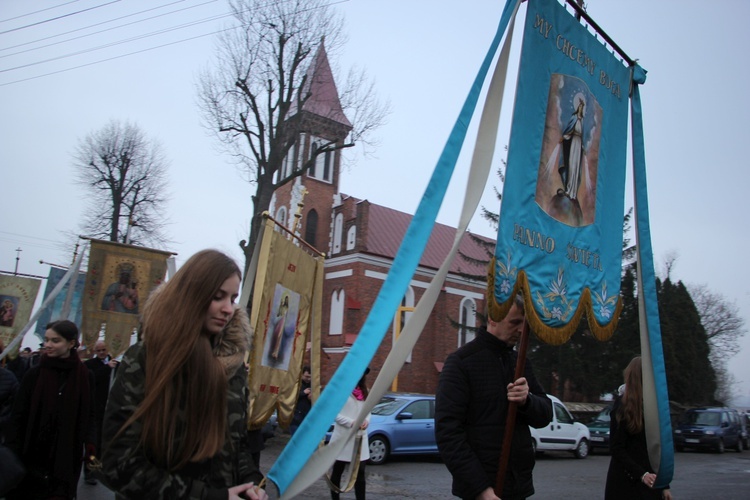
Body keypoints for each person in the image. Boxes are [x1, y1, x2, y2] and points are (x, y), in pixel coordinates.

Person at [101, 249, 267, 500]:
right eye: (217, 297)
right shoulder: (147, 358)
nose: (227, 309)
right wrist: (209, 497)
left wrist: (250, 481)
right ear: (192, 294)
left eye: (232, 299)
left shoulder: (231, 365)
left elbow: (237, 446)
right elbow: (119, 464)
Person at [435, 294, 553, 500]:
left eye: (525, 324)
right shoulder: (461, 362)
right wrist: (482, 490)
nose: (521, 330)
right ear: (493, 319)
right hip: (481, 490)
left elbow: (545, 415)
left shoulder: (521, 361)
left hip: (518, 485)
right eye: (515, 322)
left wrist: (528, 401)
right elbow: (448, 433)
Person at [5, 320, 96, 499]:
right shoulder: (34, 374)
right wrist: (11, 452)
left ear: (71, 343)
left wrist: (91, 443)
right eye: (46, 340)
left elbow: (89, 414)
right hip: (31, 456)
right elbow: (18, 416)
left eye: (55, 341)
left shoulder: (85, 377)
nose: (48, 345)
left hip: (65, 457)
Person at [604, 357, 672, 500]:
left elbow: (656, 450)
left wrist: (665, 485)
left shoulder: (653, 406)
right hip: (624, 483)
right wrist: (641, 474)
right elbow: (616, 447)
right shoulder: (622, 407)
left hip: (651, 483)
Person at [328, 368, 371, 500]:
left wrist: (366, 421)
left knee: (360, 474)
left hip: (360, 438)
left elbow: (369, 409)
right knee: (337, 472)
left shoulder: (365, 391)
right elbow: (334, 413)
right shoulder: (341, 390)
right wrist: (351, 423)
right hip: (343, 437)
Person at [82, 340, 118, 485]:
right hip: (96, 410)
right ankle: (90, 471)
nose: (102, 353)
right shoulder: (90, 365)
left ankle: (101, 469)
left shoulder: (116, 364)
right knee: (93, 444)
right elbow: (92, 379)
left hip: (110, 410)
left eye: (104, 350)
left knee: (105, 443)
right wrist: (107, 368)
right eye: (99, 350)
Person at [290, 365, 312, 435]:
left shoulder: (313, 385)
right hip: (296, 418)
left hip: (307, 418)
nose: (308, 379)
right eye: (307, 376)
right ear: (302, 375)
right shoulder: (296, 384)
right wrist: (303, 393)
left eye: (310, 377)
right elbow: (290, 397)